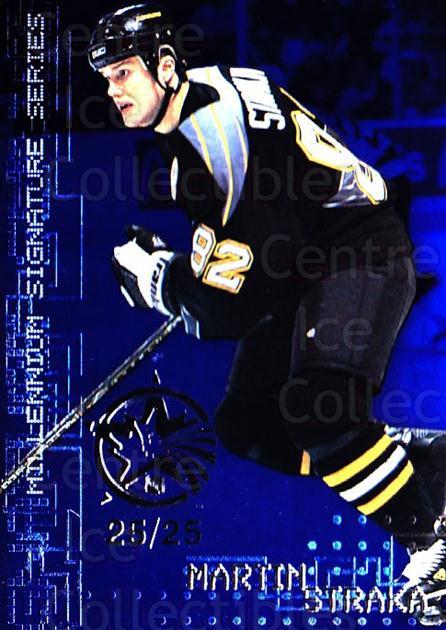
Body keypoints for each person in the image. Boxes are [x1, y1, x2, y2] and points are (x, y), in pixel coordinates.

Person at [88, 4, 446, 624]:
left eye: (123, 72)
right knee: (247, 421)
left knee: (317, 409)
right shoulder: (205, 101)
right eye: (106, 77)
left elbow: (228, 308)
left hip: (357, 251)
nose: (112, 89)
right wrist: (181, 274)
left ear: (165, 67)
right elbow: (250, 259)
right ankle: (429, 465)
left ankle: (431, 543)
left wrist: (158, 280)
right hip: (307, 263)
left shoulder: (208, 142)